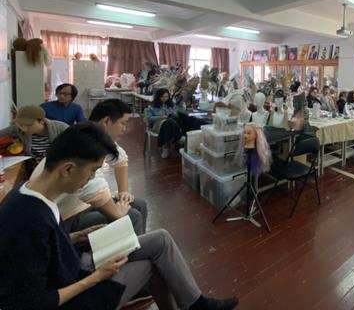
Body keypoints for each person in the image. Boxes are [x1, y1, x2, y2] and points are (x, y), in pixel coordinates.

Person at [0, 123, 238, 310]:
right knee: (153, 266)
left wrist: (77, 235)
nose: (92, 178)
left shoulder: (30, 191)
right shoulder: (28, 219)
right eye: (93, 171)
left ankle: (197, 304)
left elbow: (45, 248)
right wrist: (96, 278)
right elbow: (33, 303)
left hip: (74, 262)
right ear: (68, 169)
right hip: (76, 292)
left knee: (161, 240)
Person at [31, 99, 148, 235]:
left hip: (81, 204)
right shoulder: (85, 142)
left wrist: (123, 192)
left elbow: (120, 159)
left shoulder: (92, 136)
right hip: (65, 216)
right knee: (132, 216)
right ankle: (134, 248)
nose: (124, 129)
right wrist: (118, 212)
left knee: (140, 205)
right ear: (107, 121)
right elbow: (91, 186)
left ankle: (139, 244)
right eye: (123, 123)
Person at [0, 105, 68, 159]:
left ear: (42, 121)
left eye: (29, 125)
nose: (24, 129)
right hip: (31, 166)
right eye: (21, 125)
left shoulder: (61, 128)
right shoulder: (17, 129)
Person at [147, 88, 183, 159]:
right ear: (158, 97)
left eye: (166, 96)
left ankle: (165, 146)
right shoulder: (152, 106)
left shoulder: (171, 104)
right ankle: (178, 138)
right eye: (162, 97)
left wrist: (173, 113)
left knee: (170, 122)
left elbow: (176, 114)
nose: (165, 98)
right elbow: (150, 119)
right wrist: (161, 117)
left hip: (170, 125)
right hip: (157, 125)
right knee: (169, 122)